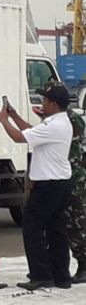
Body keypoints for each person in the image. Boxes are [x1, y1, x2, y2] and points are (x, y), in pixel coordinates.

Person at [0, 82, 73, 290]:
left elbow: (19, 137)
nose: (42, 104)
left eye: (45, 100)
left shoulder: (53, 125)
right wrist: (14, 116)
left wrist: (4, 121)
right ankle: (61, 275)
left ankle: (41, 274)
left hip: (49, 184)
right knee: (55, 229)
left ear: (54, 104)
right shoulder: (59, 123)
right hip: (60, 182)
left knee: (32, 227)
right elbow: (32, 131)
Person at [63, 107, 86, 283]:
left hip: (76, 180)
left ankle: (83, 265)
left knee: (77, 223)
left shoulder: (71, 120)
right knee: (67, 224)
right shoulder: (63, 118)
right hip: (67, 178)